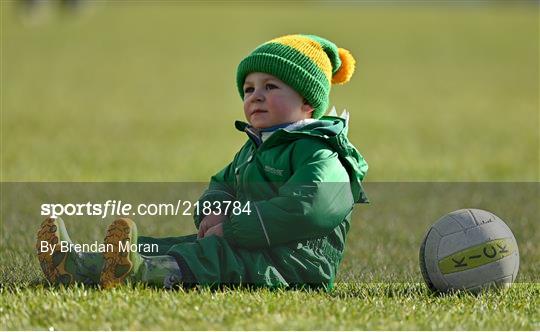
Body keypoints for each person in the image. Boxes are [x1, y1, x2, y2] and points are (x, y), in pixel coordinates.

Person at [36, 34, 369, 290]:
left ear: (308, 101)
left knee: (210, 257)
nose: (256, 95)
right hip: (252, 243)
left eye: (271, 86)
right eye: (249, 88)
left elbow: (309, 208)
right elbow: (223, 183)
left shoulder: (321, 152)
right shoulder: (257, 146)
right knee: (174, 244)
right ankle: (78, 264)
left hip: (293, 264)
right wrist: (215, 209)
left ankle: (140, 272)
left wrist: (234, 227)